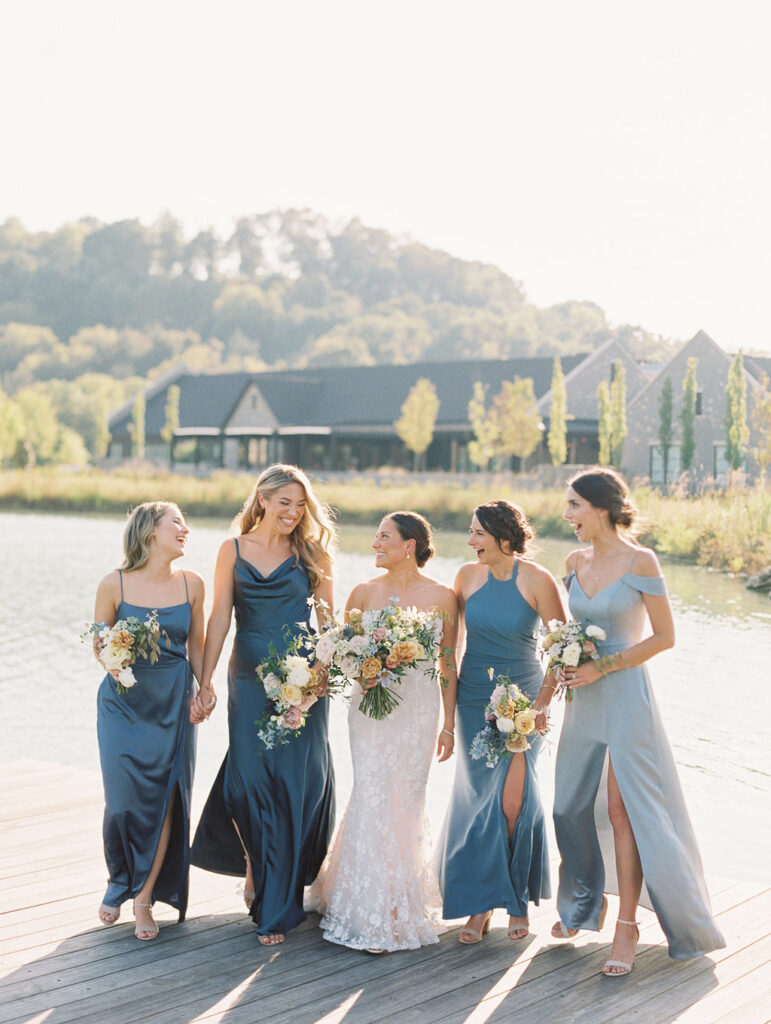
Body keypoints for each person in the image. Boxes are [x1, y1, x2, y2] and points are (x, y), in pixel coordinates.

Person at [551, 467, 725, 975]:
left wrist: (601, 665)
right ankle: (587, 900)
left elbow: (664, 637)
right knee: (568, 806)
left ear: (602, 508)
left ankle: (627, 925)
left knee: (625, 810)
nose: (568, 516)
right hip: (580, 697)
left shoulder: (641, 560)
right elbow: (571, 629)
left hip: (625, 692)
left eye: (575, 506)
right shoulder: (572, 560)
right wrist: (563, 663)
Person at [190, 464, 336, 946]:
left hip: (301, 685)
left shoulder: (313, 552)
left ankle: (277, 900)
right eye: (284, 503)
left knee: (293, 784)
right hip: (248, 682)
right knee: (250, 781)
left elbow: (329, 626)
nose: (293, 513)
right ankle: (257, 868)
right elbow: (219, 618)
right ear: (262, 502)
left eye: (300, 505)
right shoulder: (231, 550)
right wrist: (205, 680)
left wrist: (317, 681)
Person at [310, 511, 458, 953]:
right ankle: (366, 905)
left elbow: (447, 663)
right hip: (369, 712)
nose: (375, 544)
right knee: (373, 791)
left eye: (383, 537)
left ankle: (396, 906)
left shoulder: (443, 597)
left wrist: (449, 725)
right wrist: (342, 675)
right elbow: (338, 652)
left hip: (417, 710)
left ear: (409, 545)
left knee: (405, 800)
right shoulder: (362, 592)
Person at [437, 500, 564, 943]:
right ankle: (481, 905)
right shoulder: (466, 578)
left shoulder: (538, 579)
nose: (470, 542)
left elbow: (562, 647)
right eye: (470, 533)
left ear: (503, 538)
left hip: (523, 699)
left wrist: (543, 704)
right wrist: (448, 720)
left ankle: (515, 899)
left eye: (477, 534)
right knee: (479, 800)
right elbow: (448, 653)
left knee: (514, 802)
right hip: (474, 697)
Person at [94, 502, 205, 940]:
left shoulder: (192, 584)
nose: (185, 529)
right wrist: (116, 657)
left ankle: (143, 898)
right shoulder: (113, 583)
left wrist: (206, 686)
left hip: (174, 701)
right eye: (176, 521)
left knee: (165, 802)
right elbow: (99, 645)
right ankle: (118, 878)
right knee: (122, 801)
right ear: (149, 531)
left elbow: (195, 645)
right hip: (123, 704)